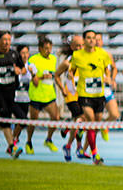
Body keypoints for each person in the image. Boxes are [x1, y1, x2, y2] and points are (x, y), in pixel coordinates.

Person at [56, 29, 114, 165]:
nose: (91, 40)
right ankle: (94, 154)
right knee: (90, 121)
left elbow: (108, 68)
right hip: (83, 95)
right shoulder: (76, 56)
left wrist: (108, 77)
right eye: (88, 38)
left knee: (95, 124)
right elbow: (69, 70)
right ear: (84, 40)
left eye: (94, 38)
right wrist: (69, 81)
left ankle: (75, 136)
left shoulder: (103, 54)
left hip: (99, 94)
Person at [27, 35, 61, 153]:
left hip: (49, 95)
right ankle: (29, 142)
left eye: (50, 48)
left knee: (56, 118)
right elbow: (34, 81)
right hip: (36, 95)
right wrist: (41, 77)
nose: (48, 51)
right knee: (33, 121)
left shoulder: (54, 59)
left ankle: (49, 139)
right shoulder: (33, 60)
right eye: (46, 48)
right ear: (40, 48)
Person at [57, 35, 86, 161]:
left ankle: (69, 145)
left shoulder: (86, 60)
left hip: (83, 94)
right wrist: (62, 89)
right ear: (72, 47)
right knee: (80, 118)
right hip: (71, 95)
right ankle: (76, 146)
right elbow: (57, 75)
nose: (80, 48)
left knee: (80, 121)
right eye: (77, 46)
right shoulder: (67, 62)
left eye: (81, 45)